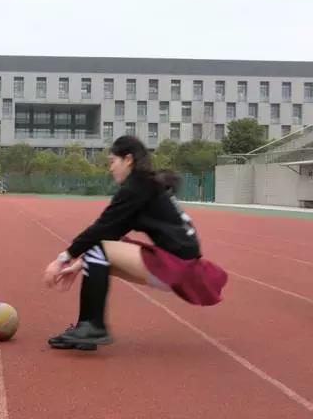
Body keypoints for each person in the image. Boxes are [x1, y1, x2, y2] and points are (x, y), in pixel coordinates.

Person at [43, 135, 228, 351]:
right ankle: (88, 328)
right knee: (99, 251)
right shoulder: (145, 185)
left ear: (128, 159)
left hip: (177, 267)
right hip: (181, 265)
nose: (110, 168)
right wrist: (79, 264)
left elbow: (101, 228)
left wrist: (62, 259)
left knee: (99, 249)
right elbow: (112, 231)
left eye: (113, 161)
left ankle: (92, 327)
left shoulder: (136, 187)